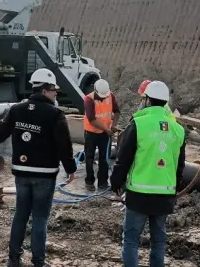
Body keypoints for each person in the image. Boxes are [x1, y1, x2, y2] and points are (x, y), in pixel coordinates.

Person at [0, 68, 77, 267]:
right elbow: (64, 144)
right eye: (54, 89)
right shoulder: (55, 114)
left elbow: (0, 130)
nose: (56, 93)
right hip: (45, 175)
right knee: (39, 218)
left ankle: (14, 259)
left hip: (22, 172)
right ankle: (38, 262)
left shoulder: (17, 109)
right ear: (45, 90)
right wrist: (70, 168)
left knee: (21, 215)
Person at [110, 81, 186, 267]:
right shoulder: (178, 129)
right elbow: (179, 166)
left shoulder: (138, 124)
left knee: (131, 241)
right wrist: (175, 189)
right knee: (159, 242)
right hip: (165, 195)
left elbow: (124, 158)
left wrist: (116, 182)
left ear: (147, 100)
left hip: (139, 195)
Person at [83, 79, 121, 191]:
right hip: (90, 133)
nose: (104, 98)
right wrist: (107, 129)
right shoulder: (88, 99)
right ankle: (89, 182)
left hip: (105, 134)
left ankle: (103, 182)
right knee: (89, 158)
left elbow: (117, 111)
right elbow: (92, 119)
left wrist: (113, 125)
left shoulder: (111, 96)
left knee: (104, 158)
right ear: (95, 91)